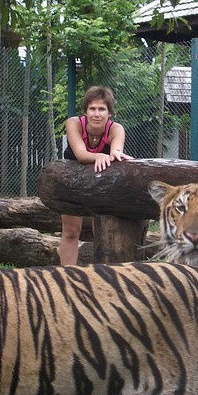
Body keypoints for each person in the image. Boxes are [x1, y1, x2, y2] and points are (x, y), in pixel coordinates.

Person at [59, 86, 131, 265]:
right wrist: (99, 155)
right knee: (70, 231)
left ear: (110, 113)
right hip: (72, 180)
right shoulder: (74, 123)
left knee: (100, 230)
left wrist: (116, 154)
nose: (96, 114)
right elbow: (81, 154)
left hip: (101, 184)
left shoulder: (116, 129)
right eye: (92, 109)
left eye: (102, 109)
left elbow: (116, 150)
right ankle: (67, 279)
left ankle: (101, 277)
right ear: (86, 111)